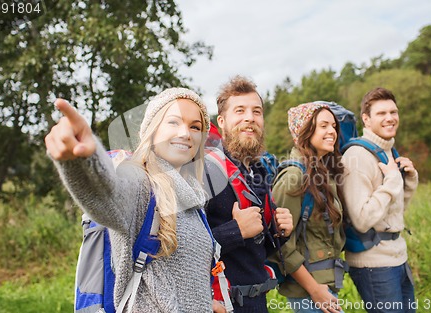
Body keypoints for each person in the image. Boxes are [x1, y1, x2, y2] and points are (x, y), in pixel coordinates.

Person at [45, 88, 218, 312]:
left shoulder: (193, 199)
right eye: (174, 122)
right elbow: (110, 193)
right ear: (152, 130)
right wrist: (84, 160)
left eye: (195, 126)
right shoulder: (141, 183)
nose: (185, 133)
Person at [204, 76, 294, 313]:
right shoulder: (204, 170)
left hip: (256, 302)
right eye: (240, 111)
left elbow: (258, 249)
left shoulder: (259, 170)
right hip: (219, 304)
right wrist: (236, 231)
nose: (250, 118)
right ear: (221, 121)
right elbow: (181, 248)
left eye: (257, 112)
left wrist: (279, 232)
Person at [341, 87, 419, 313]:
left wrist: (409, 180)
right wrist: (393, 182)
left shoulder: (388, 151)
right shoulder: (357, 156)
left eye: (393, 112)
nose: (390, 118)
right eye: (381, 113)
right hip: (374, 264)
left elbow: (394, 212)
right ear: (366, 119)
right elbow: (362, 219)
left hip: (397, 256)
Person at [270, 103, 346, 313]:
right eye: (323, 125)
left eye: (333, 126)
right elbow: (280, 244)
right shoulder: (294, 177)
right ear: (304, 131)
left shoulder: (322, 173)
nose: (332, 131)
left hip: (325, 284)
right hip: (310, 292)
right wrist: (314, 290)